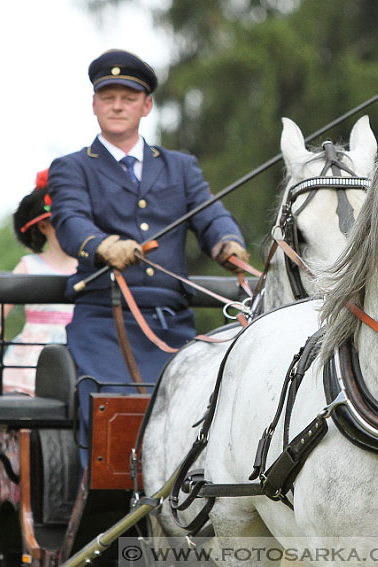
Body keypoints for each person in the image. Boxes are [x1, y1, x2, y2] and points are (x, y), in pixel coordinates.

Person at [47, 49, 249, 457]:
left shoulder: (180, 166)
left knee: (202, 410)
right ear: (94, 104)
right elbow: (70, 222)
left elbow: (209, 216)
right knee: (117, 411)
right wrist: (104, 246)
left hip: (173, 322)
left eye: (128, 97)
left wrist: (227, 244)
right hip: (103, 317)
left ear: (146, 105)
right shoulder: (71, 167)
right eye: (108, 97)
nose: (117, 106)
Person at [0, 169, 78, 395]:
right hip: (34, 357)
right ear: (43, 226)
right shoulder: (29, 266)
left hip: (78, 346)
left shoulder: (88, 266)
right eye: (60, 223)